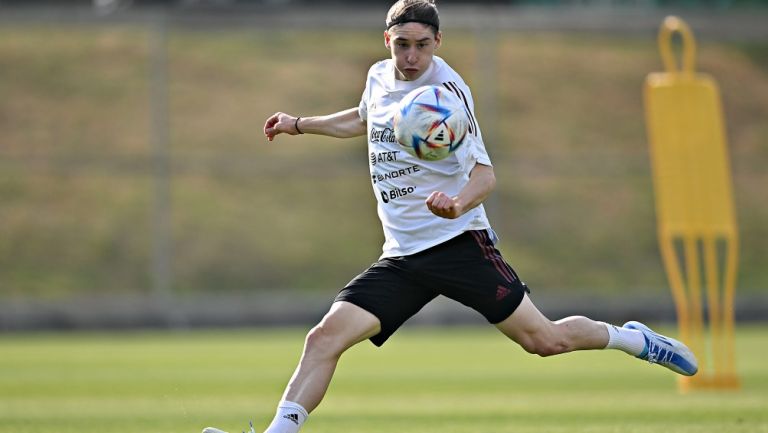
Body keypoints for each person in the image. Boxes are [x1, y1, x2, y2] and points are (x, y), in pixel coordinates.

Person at [204, 1, 698, 432]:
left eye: (422, 45)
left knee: (545, 340)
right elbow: (362, 117)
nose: (412, 56)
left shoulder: (447, 96)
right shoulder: (378, 76)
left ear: (438, 41)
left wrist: (457, 202)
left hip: (458, 243)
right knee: (324, 337)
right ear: (387, 41)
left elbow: (484, 174)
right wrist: (299, 124)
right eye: (402, 45)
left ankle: (634, 339)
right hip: (401, 256)